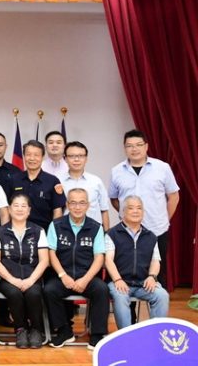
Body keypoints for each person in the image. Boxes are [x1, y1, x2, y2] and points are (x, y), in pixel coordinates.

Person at [109, 129, 179, 288]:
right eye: (129, 146)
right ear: (124, 148)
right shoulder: (116, 171)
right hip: (128, 232)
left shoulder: (162, 168)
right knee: (127, 271)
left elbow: (174, 196)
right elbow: (114, 199)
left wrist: (164, 218)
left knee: (158, 274)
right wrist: (127, 216)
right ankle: (129, 305)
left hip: (157, 228)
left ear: (146, 146)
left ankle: (159, 304)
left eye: (139, 145)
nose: (134, 149)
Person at [43, 188, 109, 349]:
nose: (77, 207)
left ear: (88, 205)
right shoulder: (56, 225)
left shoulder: (96, 227)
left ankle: (97, 334)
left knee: (102, 290)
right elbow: (51, 253)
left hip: (86, 276)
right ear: (67, 205)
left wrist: (85, 279)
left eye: (82, 203)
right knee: (49, 290)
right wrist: (62, 275)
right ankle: (64, 331)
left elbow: (99, 257)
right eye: (73, 203)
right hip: (62, 275)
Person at [0, 193, 49, 349]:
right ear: (9, 209)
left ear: (29, 210)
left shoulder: (38, 231)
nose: (20, 209)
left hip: (32, 277)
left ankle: (36, 329)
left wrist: (31, 280)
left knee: (33, 293)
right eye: (16, 206)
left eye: (23, 206)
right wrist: (13, 280)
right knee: (14, 293)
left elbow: (44, 260)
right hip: (8, 279)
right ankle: (20, 329)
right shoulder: (0, 232)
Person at [105, 196, 169, 329]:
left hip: (142, 283)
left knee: (162, 295)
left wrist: (152, 277)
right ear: (123, 211)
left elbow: (155, 261)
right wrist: (117, 280)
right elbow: (108, 260)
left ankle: (156, 334)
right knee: (120, 297)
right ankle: (126, 336)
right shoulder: (112, 233)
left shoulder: (151, 236)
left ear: (143, 212)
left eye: (139, 208)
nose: (135, 211)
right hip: (119, 282)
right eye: (131, 208)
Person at [10, 140, 65, 231]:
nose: (32, 158)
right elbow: (7, 207)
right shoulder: (14, 179)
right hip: (17, 231)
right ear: (24, 156)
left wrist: (54, 233)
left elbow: (57, 210)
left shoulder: (52, 181)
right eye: (28, 155)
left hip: (44, 232)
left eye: (36, 155)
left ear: (42, 157)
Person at [61, 141, 110, 231]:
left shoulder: (96, 181)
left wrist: (106, 234)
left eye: (80, 156)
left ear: (86, 159)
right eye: (71, 156)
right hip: (66, 232)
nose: (76, 159)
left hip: (93, 232)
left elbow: (104, 210)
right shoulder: (58, 181)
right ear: (65, 159)